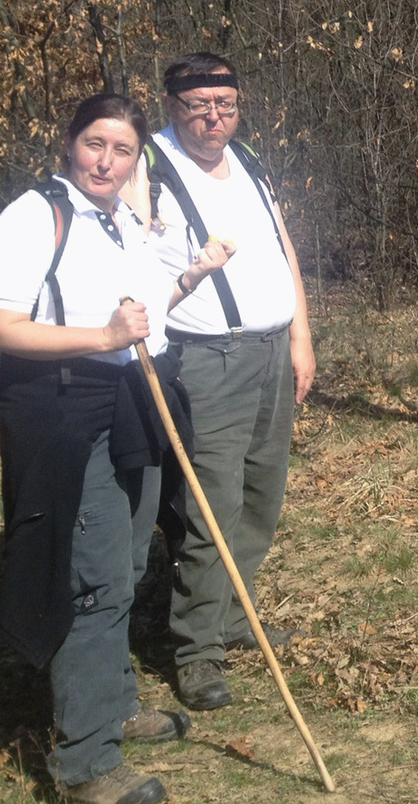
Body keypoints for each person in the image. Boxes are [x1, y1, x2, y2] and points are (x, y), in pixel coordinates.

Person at [0, 93, 233, 804]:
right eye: (95, 143)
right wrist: (103, 339)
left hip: (130, 400)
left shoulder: (120, 219)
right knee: (94, 579)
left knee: (123, 559)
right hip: (65, 411)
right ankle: (86, 763)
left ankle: (114, 702)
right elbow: (0, 327)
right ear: (69, 144)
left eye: (122, 151)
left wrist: (188, 278)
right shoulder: (34, 215)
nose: (107, 160)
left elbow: (139, 313)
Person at [127, 52, 315, 711]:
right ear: (172, 106)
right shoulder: (146, 167)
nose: (214, 117)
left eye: (226, 105)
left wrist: (301, 337)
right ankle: (197, 653)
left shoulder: (251, 162)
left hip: (269, 355)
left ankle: (236, 620)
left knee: (261, 499)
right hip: (204, 361)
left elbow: (283, 246)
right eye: (199, 105)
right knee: (210, 511)